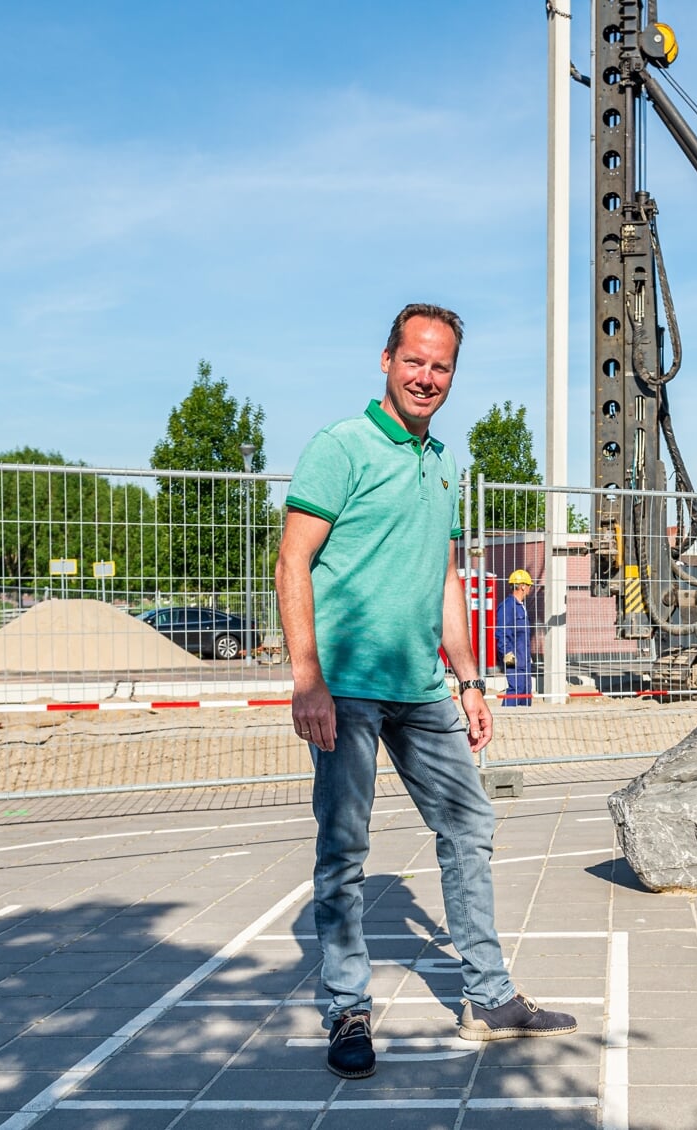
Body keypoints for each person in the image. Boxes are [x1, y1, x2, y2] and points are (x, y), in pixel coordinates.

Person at [275, 303, 577, 1081]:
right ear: (386, 360)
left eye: (441, 367)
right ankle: (348, 1006)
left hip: (421, 687)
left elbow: (446, 581)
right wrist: (307, 679)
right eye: (415, 361)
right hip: (345, 686)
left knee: (470, 822)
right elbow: (292, 564)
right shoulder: (341, 447)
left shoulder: (443, 462)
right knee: (344, 849)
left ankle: (490, 995)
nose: (427, 377)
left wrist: (469, 680)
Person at [495, 569, 534, 706]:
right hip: (513, 659)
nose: (530, 588)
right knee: (516, 689)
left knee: (525, 691)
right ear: (522, 586)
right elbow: (502, 636)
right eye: (529, 585)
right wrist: (510, 661)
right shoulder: (507, 606)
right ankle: (506, 718)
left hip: (524, 660)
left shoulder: (521, 607)